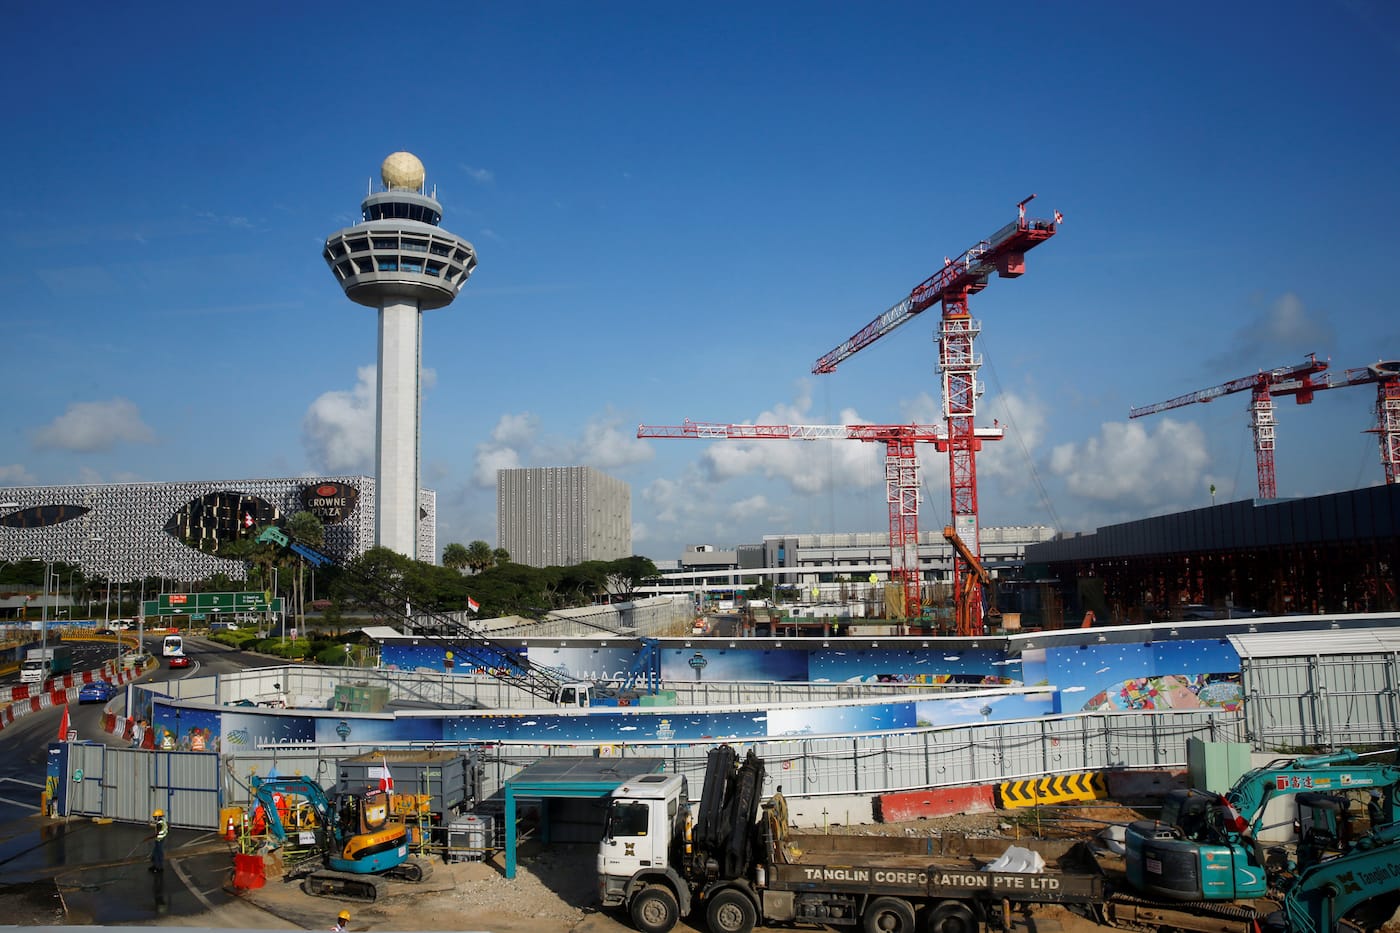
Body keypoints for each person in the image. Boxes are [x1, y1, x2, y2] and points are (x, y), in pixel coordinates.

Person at [149, 807, 169, 873]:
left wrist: (149, 837)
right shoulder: (163, 821)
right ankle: (155, 865)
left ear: (158, 816)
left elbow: (157, 832)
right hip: (160, 839)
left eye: (155, 817)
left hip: (159, 840)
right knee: (155, 853)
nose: (154, 818)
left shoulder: (159, 824)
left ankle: (159, 867)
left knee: (158, 854)